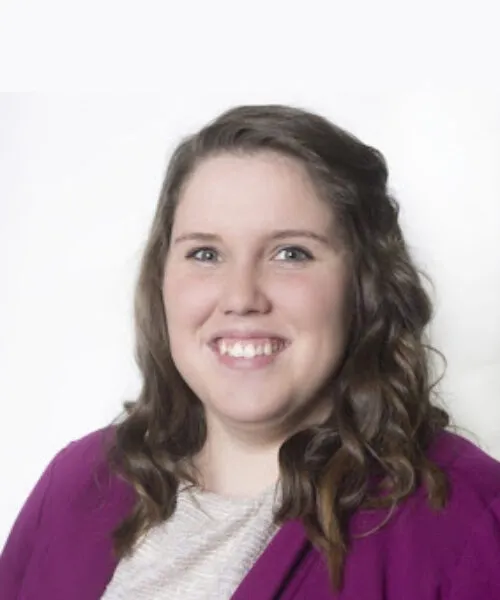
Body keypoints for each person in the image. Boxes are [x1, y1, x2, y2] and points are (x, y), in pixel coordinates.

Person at [1, 104, 500, 600]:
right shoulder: (75, 484)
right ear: (162, 280)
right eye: (205, 253)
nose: (241, 296)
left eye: (291, 253)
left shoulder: (468, 517)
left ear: (365, 285)